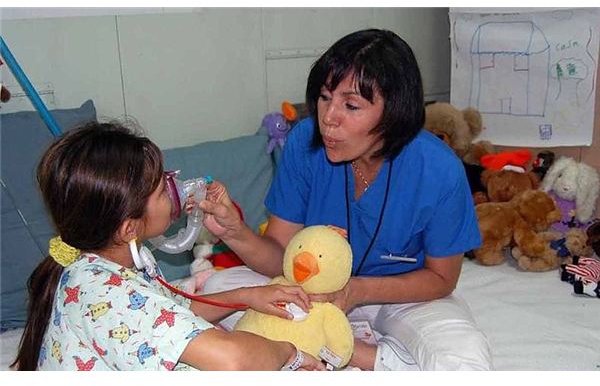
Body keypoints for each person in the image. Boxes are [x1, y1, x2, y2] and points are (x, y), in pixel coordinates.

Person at [199, 29, 493, 370]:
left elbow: (442, 279)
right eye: (325, 98)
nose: (329, 118)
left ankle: (343, 352)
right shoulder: (304, 144)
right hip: (309, 294)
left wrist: (359, 290)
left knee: (465, 359)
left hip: (402, 296)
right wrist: (235, 232)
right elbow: (280, 257)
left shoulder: (439, 168)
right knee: (221, 288)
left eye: (351, 105)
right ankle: (353, 353)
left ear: (394, 112)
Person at [11, 122, 325, 371]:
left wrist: (245, 297)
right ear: (128, 227)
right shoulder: (101, 291)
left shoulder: (117, 261)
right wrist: (290, 353)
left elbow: (168, 313)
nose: (176, 186)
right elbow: (234, 361)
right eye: (163, 189)